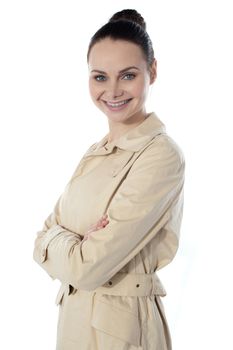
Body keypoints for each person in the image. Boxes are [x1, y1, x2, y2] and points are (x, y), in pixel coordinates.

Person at [33, 9, 185, 350]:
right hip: (73, 323)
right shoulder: (95, 152)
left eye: (128, 75)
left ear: (152, 71)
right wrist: (68, 242)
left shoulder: (161, 155)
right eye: (100, 77)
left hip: (123, 331)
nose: (113, 90)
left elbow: (86, 268)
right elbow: (39, 238)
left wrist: (63, 242)